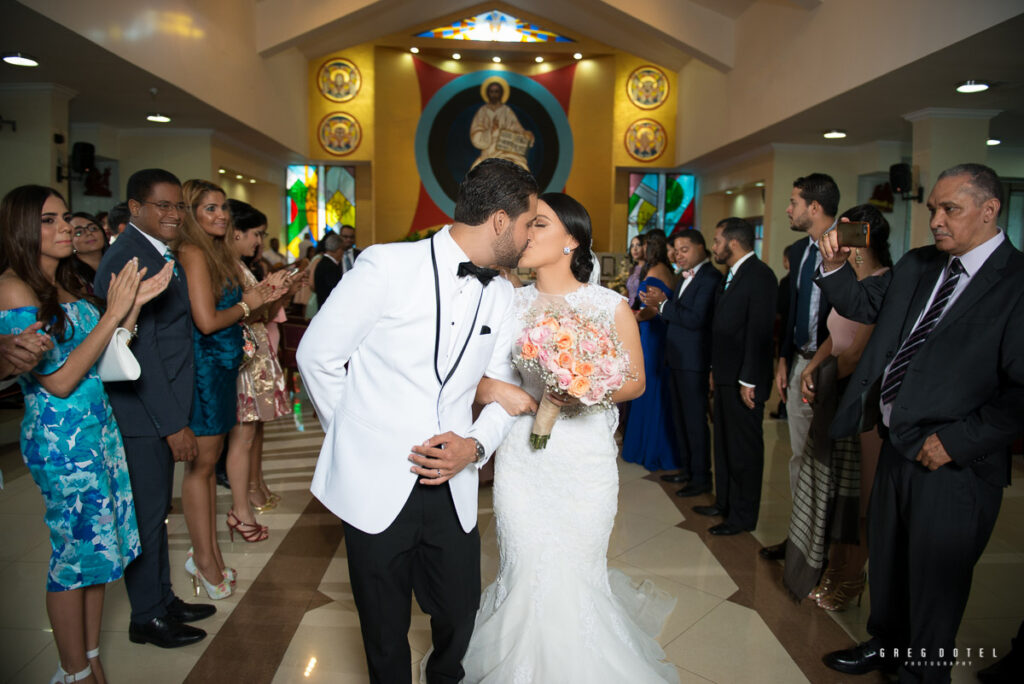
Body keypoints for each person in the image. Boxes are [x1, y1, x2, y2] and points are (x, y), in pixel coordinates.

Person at [297, 158, 539, 684]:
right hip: (375, 482)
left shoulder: (501, 294)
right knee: (382, 630)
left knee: (459, 613)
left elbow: (500, 394)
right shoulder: (386, 266)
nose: (528, 237)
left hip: (453, 484)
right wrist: (360, 438)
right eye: (526, 224)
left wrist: (473, 448)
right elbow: (316, 356)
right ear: (500, 220)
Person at [818, 164, 1024, 681]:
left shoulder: (1015, 282)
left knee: (934, 584)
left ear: (989, 209)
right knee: (888, 562)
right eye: (932, 208)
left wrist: (956, 441)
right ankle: (885, 645)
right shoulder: (920, 265)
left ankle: (920, 673)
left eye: (948, 209)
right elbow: (864, 304)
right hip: (897, 442)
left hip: (954, 461)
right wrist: (835, 266)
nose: (935, 219)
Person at [463, 192, 677, 683]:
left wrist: (583, 389)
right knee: (525, 566)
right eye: (526, 224)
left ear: (571, 240)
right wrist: (496, 388)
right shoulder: (508, 303)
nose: (527, 233)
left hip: (584, 463)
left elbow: (636, 382)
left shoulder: (608, 305)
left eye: (538, 224)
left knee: (576, 570)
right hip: (524, 458)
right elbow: (471, 374)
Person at [0, 184, 171, 681]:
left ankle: (91, 656)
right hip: (61, 439)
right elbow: (58, 379)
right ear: (22, 229)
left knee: (99, 554)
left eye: (65, 218)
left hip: (99, 429)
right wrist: (116, 311)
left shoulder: (67, 282)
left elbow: (105, 353)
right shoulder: (14, 288)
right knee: (73, 558)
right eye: (49, 221)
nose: (65, 229)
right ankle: (71, 671)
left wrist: (133, 306)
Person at [95, 169, 216, 650]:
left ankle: (162, 599)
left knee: (154, 514)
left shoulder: (150, 251)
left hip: (158, 408)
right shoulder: (129, 258)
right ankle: (147, 615)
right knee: (146, 517)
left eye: (178, 206)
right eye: (161, 206)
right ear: (135, 208)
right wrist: (172, 425)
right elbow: (138, 352)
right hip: (145, 416)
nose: (172, 214)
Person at [175, 179, 284, 600]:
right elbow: (206, 320)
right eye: (209, 209)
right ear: (190, 213)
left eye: (222, 208)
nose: (221, 215)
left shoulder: (214, 252)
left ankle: (208, 554)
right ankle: (205, 560)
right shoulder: (193, 252)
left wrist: (261, 297)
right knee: (202, 466)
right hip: (205, 368)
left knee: (210, 461)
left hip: (222, 365)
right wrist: (249, 301)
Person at [782, 204, 892, 608]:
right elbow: (833, 336)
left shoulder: (883, 285)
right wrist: (810, 368)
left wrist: (823, 377)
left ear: (864, 239)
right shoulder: (845, 283)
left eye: (846, 233)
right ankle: (833, 568)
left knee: (858, 498)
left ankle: (852, 577)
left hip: (858, 400)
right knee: (832, 492)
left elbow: (859, 352)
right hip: (832, 390)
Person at [763, 173, 840, 561]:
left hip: (834, 364)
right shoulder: (799, 249)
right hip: (798, 361)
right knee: (798, 455)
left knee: (826, 459)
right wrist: (783, 358)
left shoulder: (846, 246)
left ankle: (824, 548)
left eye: (794, 202)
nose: (788, 209)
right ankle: (801, 538)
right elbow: (794, 310)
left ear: (814, 206)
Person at [692, 217, 777, 535]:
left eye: (716, 241)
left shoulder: (760, 276)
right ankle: (725, 502)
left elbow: (759, 332)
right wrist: (715, 369)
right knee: (724, 444)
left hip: (745, 379)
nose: (713, 247)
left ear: (734, 242)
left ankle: (742, 516)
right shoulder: (733, 275)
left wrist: (749, 380)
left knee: (744, 450)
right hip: (726, 374)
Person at [641, 229, 722, 495]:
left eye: (685, 249)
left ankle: (700, 478)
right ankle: (687, 470)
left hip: (694, 361)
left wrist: (663, 305)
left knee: (695, 422)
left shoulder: (710, 277)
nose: (678, 255)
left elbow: (696, 318)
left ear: (701, 247)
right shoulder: (682, 276)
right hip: (677, 357)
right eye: (676, 250)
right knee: (681, 418)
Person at [226, 199, 291, 513]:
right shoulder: (226, 267)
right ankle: (243, 504)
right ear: (236, 232)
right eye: (256, 234)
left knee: (254, 430)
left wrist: (279, 291)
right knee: (244, 435)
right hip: (244, 359)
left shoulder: (240, 266)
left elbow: (258, 311)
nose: (259, 242)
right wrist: (271, 293)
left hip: (256, 355)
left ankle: (255, 486)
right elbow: (240, 314)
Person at [621, 231, 678, 471]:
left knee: (648, 384)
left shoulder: (656, 272)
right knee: (654, 385)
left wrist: (628, 316)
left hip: (651, 332)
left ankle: (649, 446)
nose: (639, 247)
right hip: (656, 332)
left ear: (650, 246)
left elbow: (651, 310)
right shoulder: (664, 269)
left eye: (643, 244)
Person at [469, 79, 534, 171]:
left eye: (496, 92)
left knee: (522, 170)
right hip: (489, 152)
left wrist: (526, 135)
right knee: (475, 173)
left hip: (507, 151)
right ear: (488, 93)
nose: (494, 94)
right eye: (491, 92)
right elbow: (475, 135)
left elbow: (517, 129)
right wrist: (491, 131)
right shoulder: (482, 111)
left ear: (501, 93)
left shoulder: (506, 111)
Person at [70, 212, 108, 290]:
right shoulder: (72, 278)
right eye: (79, 232)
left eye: (93, 228)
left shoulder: (119, 261)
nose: (88, 233)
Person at [313, 232, 345, 308]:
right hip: (330, 307)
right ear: (338, 249)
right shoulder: (330, 267)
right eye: (342, 249)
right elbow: (336, 290)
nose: (343, 253)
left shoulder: (323, 262)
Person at [625, 234, 646, 309]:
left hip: (641, 308)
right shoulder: (632, 269)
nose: (635, 249)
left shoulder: (649, 269)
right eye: (632, 246)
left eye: (638, 245)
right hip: (629, 308)